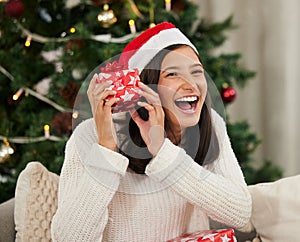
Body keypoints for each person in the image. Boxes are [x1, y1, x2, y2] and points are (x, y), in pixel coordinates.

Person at [51, 22, 252, 241]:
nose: (191, 85)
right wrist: (106, 149)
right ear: (145, 88)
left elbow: (240, 213)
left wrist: (163, 152)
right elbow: (69, 238)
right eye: (173, 74)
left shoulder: (209, 123)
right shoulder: (89, 135)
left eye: (197, 72)